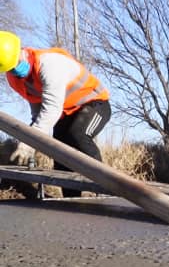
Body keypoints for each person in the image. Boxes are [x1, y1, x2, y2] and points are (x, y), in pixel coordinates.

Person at [0, 31, 111, 198]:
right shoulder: (15, 79)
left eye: (17, 63)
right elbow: (38, 111)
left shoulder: (49, 64)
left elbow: (51, 108)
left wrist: (29, 142)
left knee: (78, 134)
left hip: (94, 103)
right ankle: (70, 198)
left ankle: (104, 188)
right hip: (66, 113)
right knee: (59, 148)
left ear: (22, 50)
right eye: (12, 69)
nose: (16, 69)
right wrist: (33, 138)